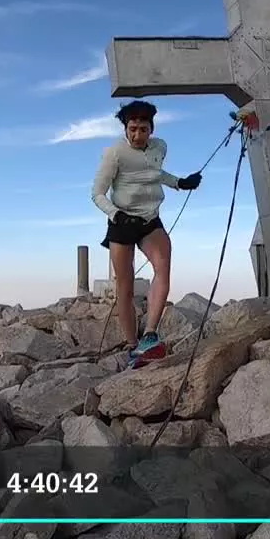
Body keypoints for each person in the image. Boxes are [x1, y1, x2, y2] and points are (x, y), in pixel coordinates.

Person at [91, 100, 201, 368]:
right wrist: (116, 214)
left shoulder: (159, 147)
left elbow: (153, 173)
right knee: (125, 287)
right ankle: (132, 346)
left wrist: (178, 183)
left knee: (163, 268)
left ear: (151, 129)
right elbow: (97, 193)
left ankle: (149, 334)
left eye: (142, 129)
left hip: (150, 219)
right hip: (121, 221)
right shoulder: (114, 153)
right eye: (132, 129)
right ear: (125, 129)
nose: (137, 135)